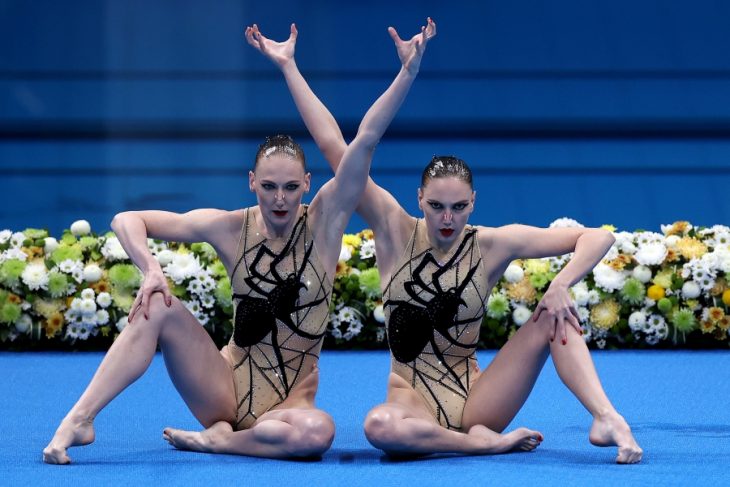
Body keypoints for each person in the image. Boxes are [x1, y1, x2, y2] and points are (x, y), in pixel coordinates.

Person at [42, 19, 434, 464]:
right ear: (252, 182)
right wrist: (151, 270)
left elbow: (362, 141)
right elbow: (126, 218)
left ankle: (220, 441)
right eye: (269, 187)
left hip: (288, 411)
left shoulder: (325, 222)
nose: (280, 199)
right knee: (156, 307)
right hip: (223, 388)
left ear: (308, 183)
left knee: (318, 433)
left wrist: (406, 73)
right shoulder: (230, 226)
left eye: (291, 187)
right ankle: (79, 418)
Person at [264, 18, 643, 464]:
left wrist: (562, 285)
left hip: (478, 399)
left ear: (473, 203)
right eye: (437, 206)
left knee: (553, 314)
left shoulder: (493, 243)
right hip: (410, 403)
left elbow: (598, 237)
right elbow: (341, 145)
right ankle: (478, 444)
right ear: (419, 198)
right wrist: (295, 67)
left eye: (459, 207)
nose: (447, 218)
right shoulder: (395, 229)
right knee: (379, 427)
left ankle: (607, 417)